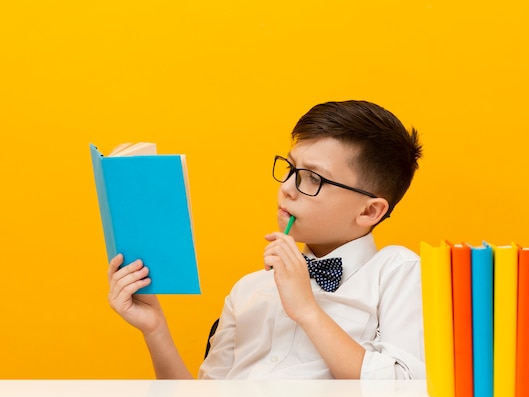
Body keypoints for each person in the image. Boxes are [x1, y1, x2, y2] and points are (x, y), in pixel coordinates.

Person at [107, 100, 425, 379]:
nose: (287, 187)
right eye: (290, 168)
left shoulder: (397, 271)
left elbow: (399, 392)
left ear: (370, 211)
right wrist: (155, 328)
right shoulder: (249, 290)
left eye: (313, 178)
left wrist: (306, 308)